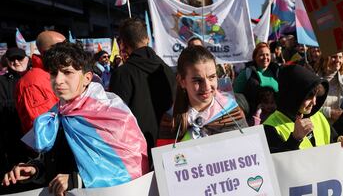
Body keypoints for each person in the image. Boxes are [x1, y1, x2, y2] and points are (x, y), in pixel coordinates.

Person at [2, 42, 148, 195]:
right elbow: (55, 160)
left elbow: (129, 168)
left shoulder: (111, 113)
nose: (58, 80)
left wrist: (76, 180)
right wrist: (35, 169)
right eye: (53, 73)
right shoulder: (57, 113)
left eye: (67, 72)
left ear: (87, 78)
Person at [110, 18, 176, 161]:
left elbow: (115, 118)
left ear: (123, 44)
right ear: (146, 39)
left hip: (135, 153)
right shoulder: (166, 70)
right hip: (168, 147)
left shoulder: (122, 74)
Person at [263, 65, 343, 153]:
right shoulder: (269, 127)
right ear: (293, 96)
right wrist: (294, 139)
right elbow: (276, 163)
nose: (314, 102)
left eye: (316, 95)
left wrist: (341, 140)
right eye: (309, 96)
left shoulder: (318, 116)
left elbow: (333, 139)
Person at [172, 46, 248, 141]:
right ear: (182, 81)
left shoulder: (231, 112)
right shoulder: (171, 120)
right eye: (197, 80)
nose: (207, 87)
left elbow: (247, 147)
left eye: (212, 77)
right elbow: (164, 154)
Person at [15, 31, 64, 134]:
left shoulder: (53, 73)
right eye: (64, 47)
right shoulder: (34, 82)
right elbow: (45, 130)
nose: (70, 51)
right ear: (51, 50)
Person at [0, 48, 30, 178]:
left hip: (37, 138)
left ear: (27, 59)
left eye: (20, 58)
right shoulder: (2, 82)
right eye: (12, 59)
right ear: (7, 61)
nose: (16, 62)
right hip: (13, 141)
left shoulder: (37, 77)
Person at [234, 42, 279, 124]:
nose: (265, 57)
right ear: (255, 57)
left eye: (267, 55)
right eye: (261, 55)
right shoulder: (247, 73)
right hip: (254, 119)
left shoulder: (277, 71)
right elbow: (236, 95)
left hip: (275, 117)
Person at [319, 52, 343, 123]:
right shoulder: (314, 79)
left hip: (340, 127)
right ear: (324, 59)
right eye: (334, 57)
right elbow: (307, 106)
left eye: (340, 57)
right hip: (319, 125)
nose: (338, 60)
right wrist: (329, 112)